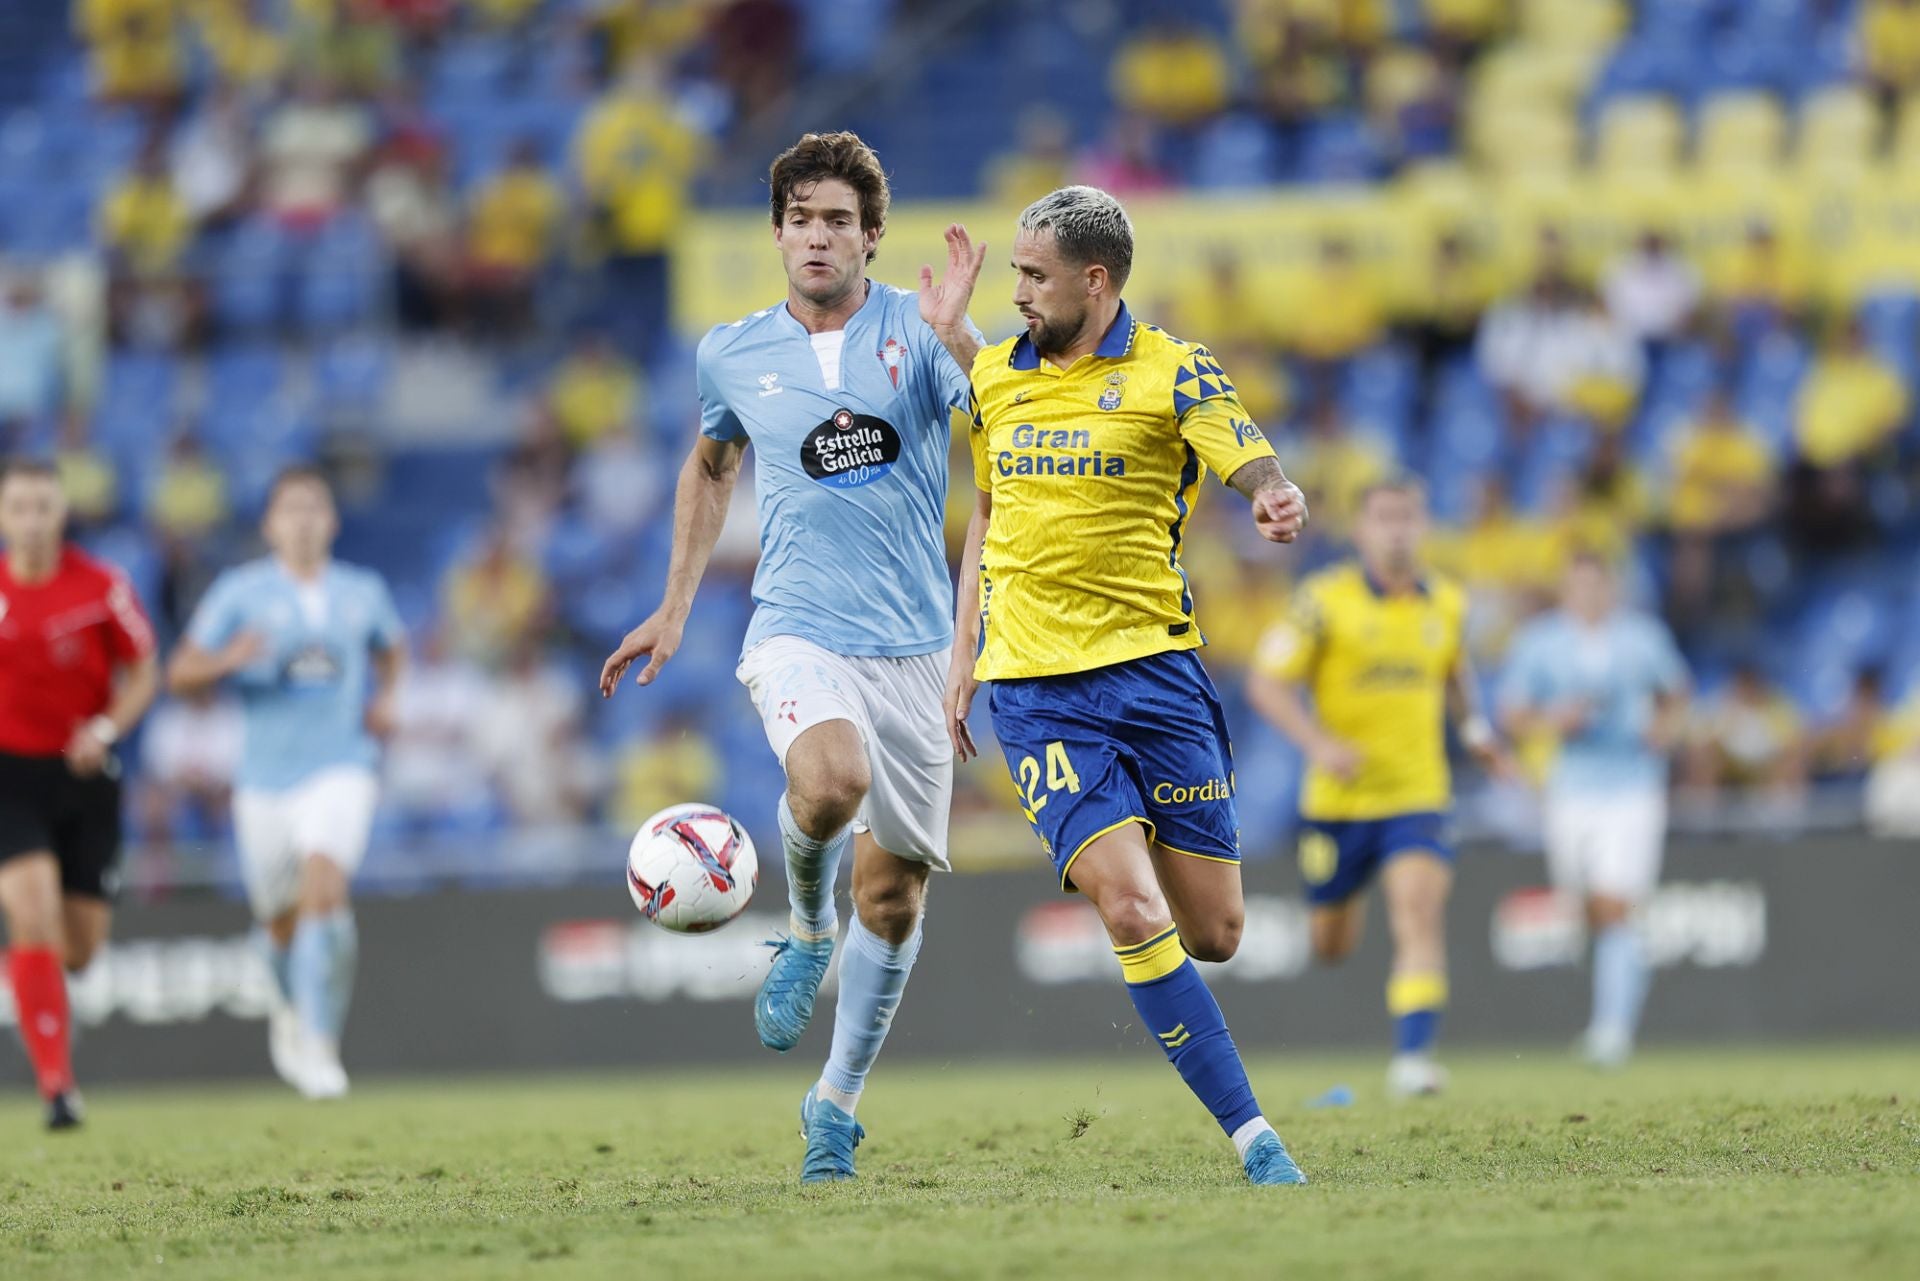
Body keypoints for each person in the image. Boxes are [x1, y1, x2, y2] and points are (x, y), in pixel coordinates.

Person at [599, 132, 979, 1184]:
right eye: (802, 218)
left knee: (895, 898)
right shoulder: (730, 349)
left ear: (871, 238)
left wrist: (969, 350)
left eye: (839, 221)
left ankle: (835, 1106)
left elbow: (1007, 437)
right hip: (797, 626)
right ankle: (808, 929)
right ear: (777, 234)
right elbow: (712, 462)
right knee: (828, 780)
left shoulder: (921, 327)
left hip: (912, 647)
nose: (819, 236)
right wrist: (673, 608)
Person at [935, 185, 1311, 1185]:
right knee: (1132, 912)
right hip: (1038, 691)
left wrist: (1271, 489)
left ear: (1093, 281)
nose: (1018, 291)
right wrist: (963, 656)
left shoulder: (1169, 368)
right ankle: (1256, 1139)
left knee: (1217, 933)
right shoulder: (992, 379)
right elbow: (986, 517)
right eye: (1012, 273)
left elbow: (1236, 438)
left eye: (1034, 274)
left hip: (1156, 678)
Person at [1247, 477, 1506, 1098]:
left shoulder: (1445, 601)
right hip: (1336, 804)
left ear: (1424, 526)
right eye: (1385, 518)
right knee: (1330, 943)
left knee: (1418, 911)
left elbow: (1454, 672)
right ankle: (1345, 901)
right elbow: (1266, 683)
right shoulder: (1322, 601)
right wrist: (1318, 745)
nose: (1398, 530)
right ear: (1361, 531)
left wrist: (1474, 730)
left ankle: (1413, 1060)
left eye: (1409, 517)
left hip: (1417, 794)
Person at [166, 465, 405, 1100]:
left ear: (331, 520)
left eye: (313, 508)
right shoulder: (240, 593)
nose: (302, 520)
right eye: (289, 509)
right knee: (279, 921)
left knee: (324, 886)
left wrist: (387, 699)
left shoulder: (362, 591)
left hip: (341, 767)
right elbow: (180, 672)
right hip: (265, 782)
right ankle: (289, 1008)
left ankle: (321, 1048)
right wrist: (227, 660)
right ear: (270, 524)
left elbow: (393, 648)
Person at [0, 457, 158, 1130]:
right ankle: (57, 1086)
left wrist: (106, 726)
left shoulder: (101, 586)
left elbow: (145, 668)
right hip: (9, 775)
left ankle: (43, 1007)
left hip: (85, 776)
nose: (31, 521)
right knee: (30, 910)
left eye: (43, 506)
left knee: (80, 948)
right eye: (19, 507)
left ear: (62, 513)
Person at [1498, 553, 1689, 1067]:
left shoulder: (1642, 637)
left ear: (1612, 588)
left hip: (1633, 784)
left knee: (1613, 901)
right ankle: (1620, 982)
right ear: (1565, 591)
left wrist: (1663, 730)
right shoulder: (1541, 641)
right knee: (1583, 908)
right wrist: (1553, 719)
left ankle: (1611, 1032)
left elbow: (1676, 693)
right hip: (1572, 788)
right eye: (1578, 586)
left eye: (1596, 586)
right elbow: (1512, 713)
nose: (1588, 596)